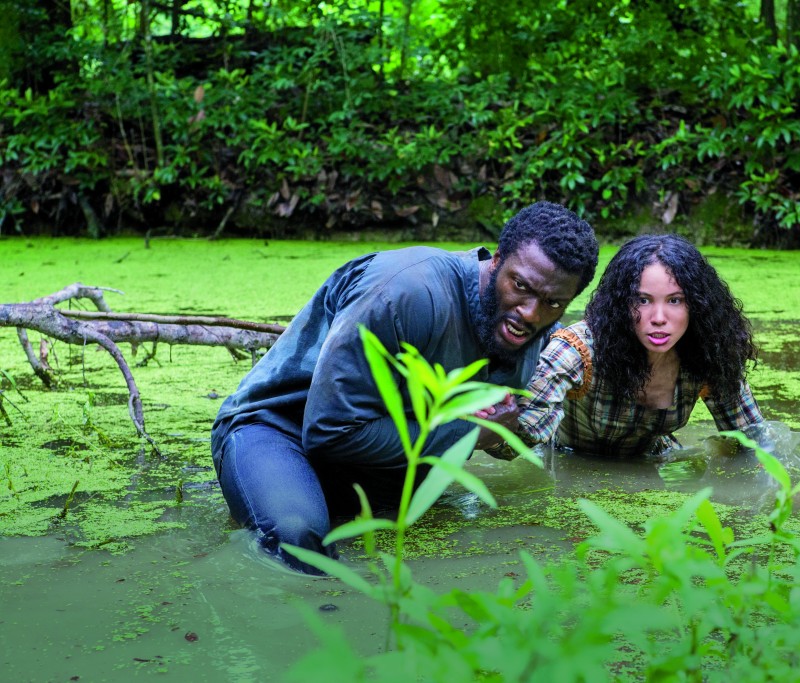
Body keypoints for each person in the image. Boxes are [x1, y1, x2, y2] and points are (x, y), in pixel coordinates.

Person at [211, 201, 599, 572]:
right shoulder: (406, 293)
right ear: (496, 259)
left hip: (378, 457)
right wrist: (470, 433)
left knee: (445, 551)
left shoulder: (536, 329)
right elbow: (328, 430)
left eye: (551, 303)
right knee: (300, 542)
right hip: (279, 430)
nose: (530, 313)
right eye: (521, 286)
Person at [488, 233, 768, 460]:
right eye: (643, 300)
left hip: (658, 467)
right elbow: (516, 442)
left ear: (697, 305)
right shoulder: (578, 350)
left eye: (675, 300)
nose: (658, 319)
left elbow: (756, 445)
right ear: (621, 304)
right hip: (568, 465)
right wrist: (493, 422)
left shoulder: (708, 354)